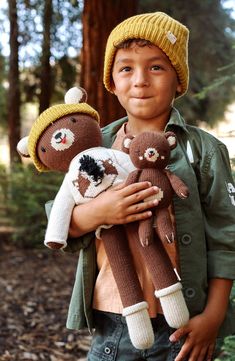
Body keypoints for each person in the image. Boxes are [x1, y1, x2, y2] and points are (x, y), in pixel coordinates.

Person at [48, 11, 235, 361]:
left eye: (156, 67)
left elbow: (227, 236)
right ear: (112, 82)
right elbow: (61, 223)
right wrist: (98, 213)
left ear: (179, 79)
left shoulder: (204, 150)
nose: (140, 81)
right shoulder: (91, 148)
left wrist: (214, 315)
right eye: (126, 69)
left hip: (184, 325)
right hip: (112, 322)